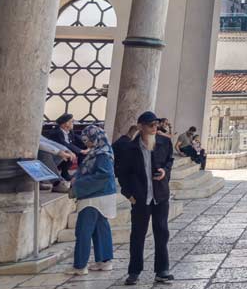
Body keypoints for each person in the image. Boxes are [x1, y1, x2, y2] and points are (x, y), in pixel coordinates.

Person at [114, 111, 174, 285]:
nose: (155, 128)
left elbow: (169, 161)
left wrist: (164, 172)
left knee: (162, 232)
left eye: (156, 125)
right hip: (140, 197)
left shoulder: (164, 142)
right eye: (151, 125)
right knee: (138, 234)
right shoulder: (129, 148)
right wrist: (129, 194)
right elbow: (122, 173)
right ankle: (134, 271)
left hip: (159, 196)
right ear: (141, 126)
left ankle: (162, 270)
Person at [67, 125, 116, 276]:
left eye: (87, 140)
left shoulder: (101, 154)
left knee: (83, 230)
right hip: (102, 195)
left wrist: (79, 183)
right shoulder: (102, 151)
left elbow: (103, 175)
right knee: (101, 229)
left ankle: (80, 266)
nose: (85, 143)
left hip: (94, 196)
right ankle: (104, 261)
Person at [46, 113, 86, 180]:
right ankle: (64, 173)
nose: (73, 123)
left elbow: (75, 138)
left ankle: (81, 172)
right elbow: (64, 144)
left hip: (68, 149)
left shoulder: (69, 131)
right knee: (75, 153)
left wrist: (87, 142)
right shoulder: (56, 132)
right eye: (72, 122)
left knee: (83, 153)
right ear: (66, 123)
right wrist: (80, 150)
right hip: (57, 152)